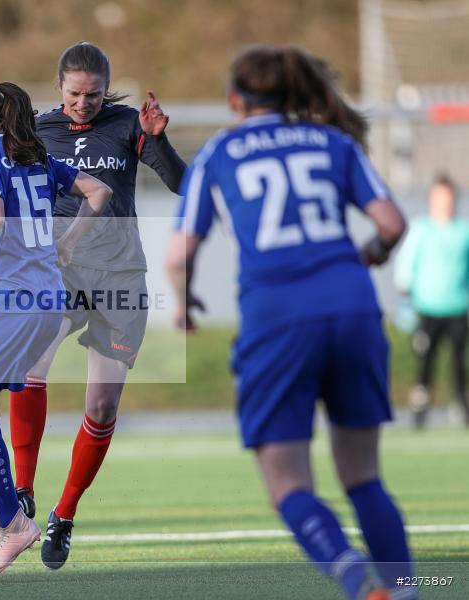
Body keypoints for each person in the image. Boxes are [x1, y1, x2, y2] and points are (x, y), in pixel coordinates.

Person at [166, 46, 413, 600]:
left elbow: (179, 256)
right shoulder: (334, 142)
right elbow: (393, 223)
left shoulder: (220, 151)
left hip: (278, 319)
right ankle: (404, 591)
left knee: (288, 483)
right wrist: (371, 253)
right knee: (364, 476)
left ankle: (357, 581)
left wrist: (183, 304)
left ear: (235, 99)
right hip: (352, 307)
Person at [6, 41, 188, 569]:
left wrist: (159, 140)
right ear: (59, 88)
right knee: (28, 367)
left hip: (121, 278)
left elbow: (180, 184)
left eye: (94, 94)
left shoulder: (130, 125)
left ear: (107, 91)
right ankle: (22, 492)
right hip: (59, 271)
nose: (84, 102)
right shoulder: (39, 132)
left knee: (102, 407)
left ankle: (63, 516)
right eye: (75, 93)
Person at [0, 82, 111, 580]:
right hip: (49, 300)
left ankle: (12, 522)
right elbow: (99, 191)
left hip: (10, 300)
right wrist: (66, 245)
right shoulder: (34, 155)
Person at [394, 174, 469, 427]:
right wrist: (406, 298)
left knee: (459, 362)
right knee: (425, 361)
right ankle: (420, 412)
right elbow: (406, 265)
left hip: (458, 307)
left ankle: (462, 407)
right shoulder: (421, 228)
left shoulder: (464, 230)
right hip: (427, 308)